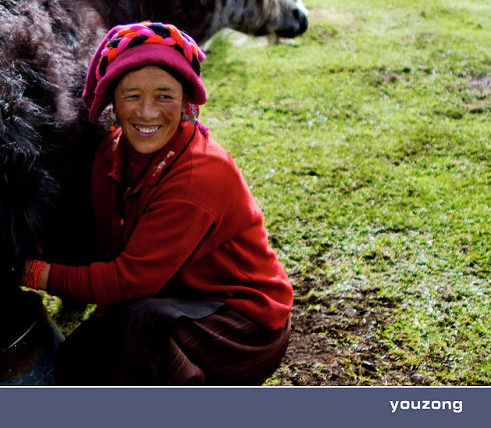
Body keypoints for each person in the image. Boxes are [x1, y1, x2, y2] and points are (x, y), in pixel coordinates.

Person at [21, 21, 293, 385]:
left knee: (142, 327)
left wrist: (35, 272)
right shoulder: (109, 155)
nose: (147, 113)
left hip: (243, 325)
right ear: (111, 103)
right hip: (175, 298)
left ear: (185, 103)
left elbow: (130, 282)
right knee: (78, 357)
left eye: (164, 95)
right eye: (132, 95)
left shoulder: (199, 174)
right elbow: (110, 251)